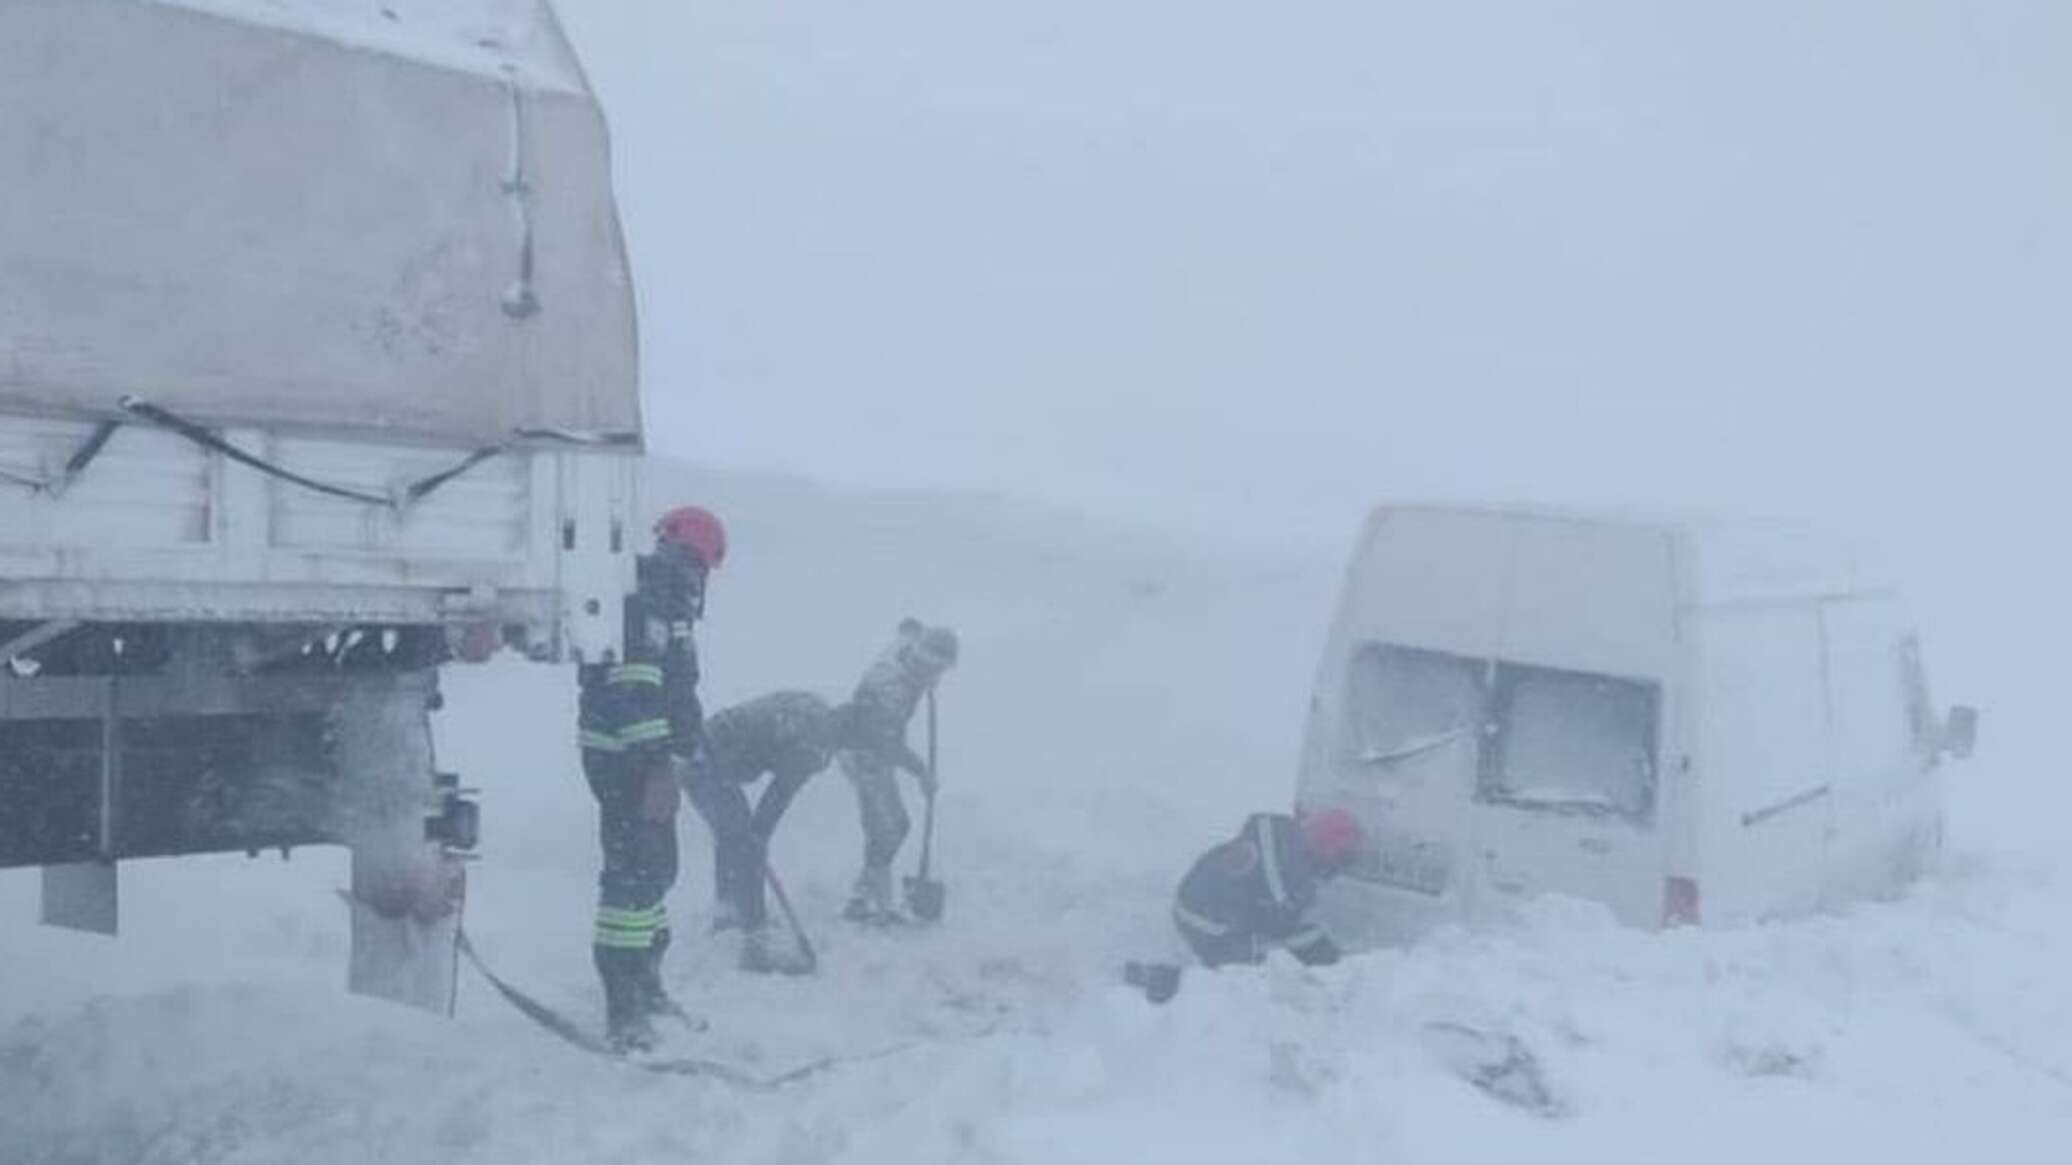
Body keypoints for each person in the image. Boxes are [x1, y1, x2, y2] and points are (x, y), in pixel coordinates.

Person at [577, 505, 724, 1051]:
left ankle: (646, 982)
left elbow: (674, 686)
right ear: (694, 559)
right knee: (630, 880)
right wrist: (658, 762)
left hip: (653, 760)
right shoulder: (644, 599)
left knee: (657, 870)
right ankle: (623, 1011)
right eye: (705, 567)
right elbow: (632, 686)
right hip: (627, 761)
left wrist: (690, 736)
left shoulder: (670, 603)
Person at [682, 691, 865, 973]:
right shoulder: (813, 746)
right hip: (707, 763)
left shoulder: (814, 708)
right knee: (745, 844)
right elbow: (778, 796)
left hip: (697, 749)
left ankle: (730, 912)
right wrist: (758, 836)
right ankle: (755, 941)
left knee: (733, 837)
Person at [1126, 807, 1364, 1004]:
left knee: (1273, 949)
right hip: (1208, 922)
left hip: (1192, 902)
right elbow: (1284, 931)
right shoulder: (1292, 879)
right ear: (1324, 847)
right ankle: (1163, 981)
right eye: (1342, 858)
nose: (1339, 869)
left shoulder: (1282, 838)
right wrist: (1330, 958)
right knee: (1258, 973)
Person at [838, 618, 959, 923]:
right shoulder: (890, 690)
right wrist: (922, 772)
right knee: (884, 830)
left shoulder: (910, 651)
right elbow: (886, 745)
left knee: (898, 826)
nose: (938, 678)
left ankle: (860, 896)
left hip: (877, 747)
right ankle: (881, 909)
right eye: (936, 671)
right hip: (862, 753)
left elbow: (908, 629)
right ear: (924, 664)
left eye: (942, 671)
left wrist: (914, 630)